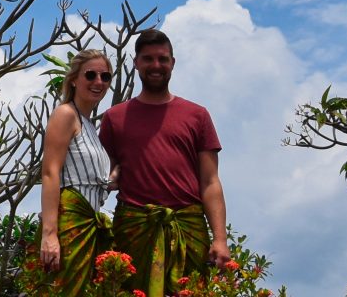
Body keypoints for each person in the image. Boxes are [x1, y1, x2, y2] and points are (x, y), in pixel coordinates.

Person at [98, 29, 230, 297]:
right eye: (148, 59)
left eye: (162, 59)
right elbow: (106, 171)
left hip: (187, 227)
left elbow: (210, 181)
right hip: (135, 228)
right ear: (136, 63)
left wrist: (219, 239)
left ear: (172, 62)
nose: (156, 66)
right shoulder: (114, 118)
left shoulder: (197, 115)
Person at [37, 49, 116, 295]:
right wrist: (50, 235)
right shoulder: (65, 114)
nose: (98, 82)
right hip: (68, 222)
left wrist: (112, 179)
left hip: (89, 222)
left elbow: (87, 177)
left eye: (105, 77)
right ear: (74, 79)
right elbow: (50, 173)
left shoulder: (90, 125)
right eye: (90, 75)